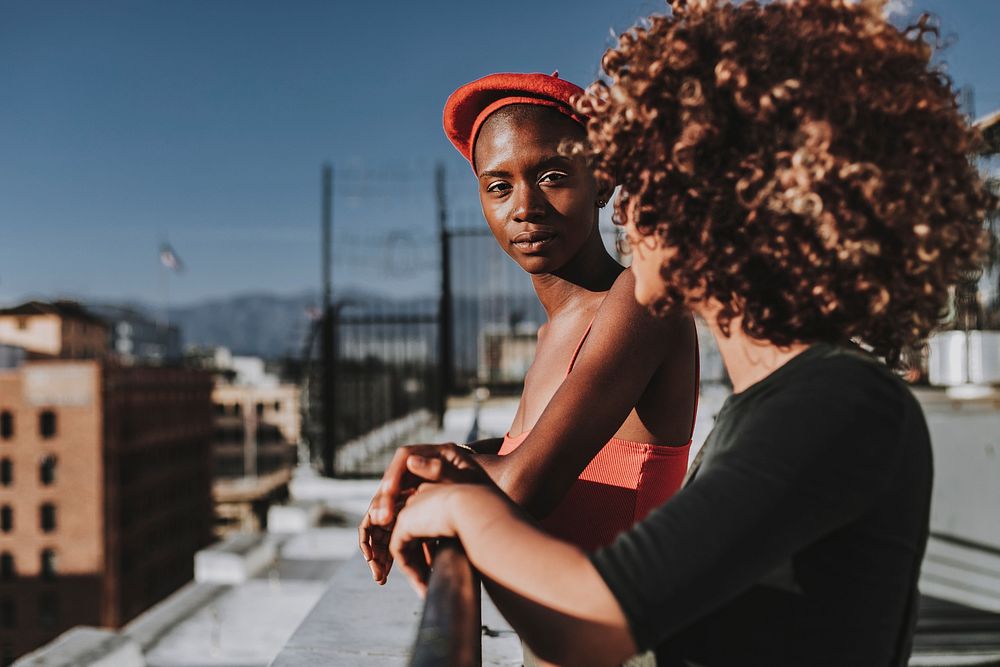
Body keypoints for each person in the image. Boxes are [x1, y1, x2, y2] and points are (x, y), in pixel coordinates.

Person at [383, 1, 995, 665]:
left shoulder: (841, 402)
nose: (628, 206)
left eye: (650, 175)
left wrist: (460, 508)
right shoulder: (792, 405)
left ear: (721, 199)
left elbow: (589, 618)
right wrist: (464, 469)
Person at [359, 71, 700, 583]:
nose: (525, 207)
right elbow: (530, 454)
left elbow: (525, 486)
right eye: (499, 186)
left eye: (553, 176)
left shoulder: (641, 298)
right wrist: (447, 466)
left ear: (602, 179)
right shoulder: (551, 335)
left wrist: (432, 465)